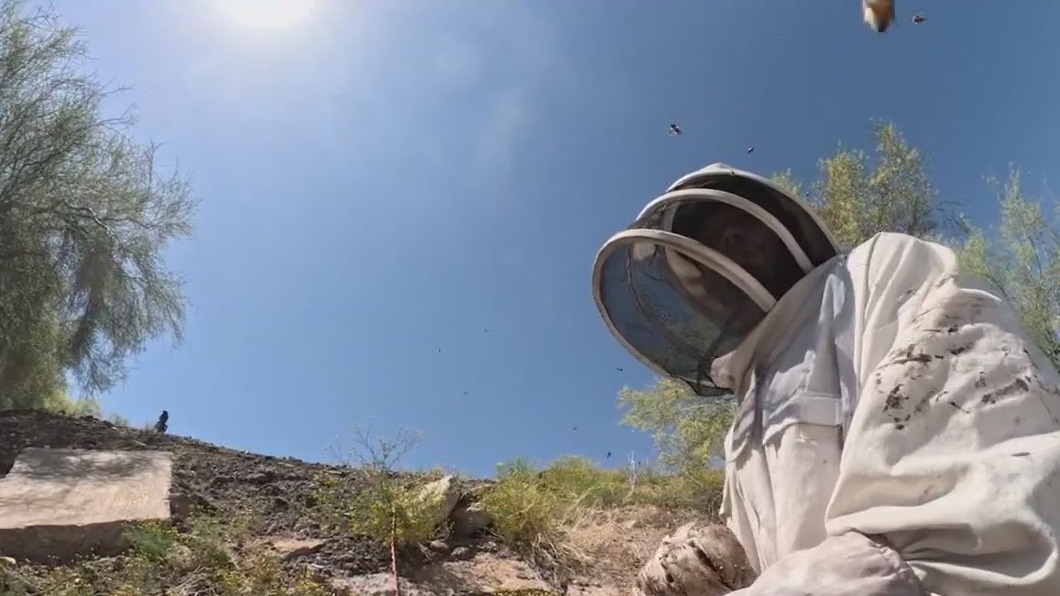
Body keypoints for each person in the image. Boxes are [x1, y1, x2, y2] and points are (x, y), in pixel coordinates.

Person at [591, 163, 1060, 595]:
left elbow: (972, 528)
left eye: (738, 228)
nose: (730, 245)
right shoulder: (744, 420)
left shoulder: (876, 273)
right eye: (711, 245)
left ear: (784, 227)